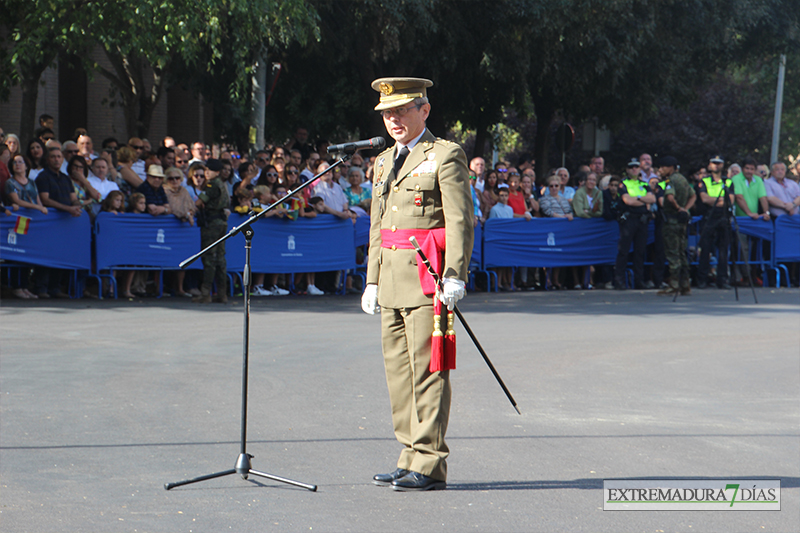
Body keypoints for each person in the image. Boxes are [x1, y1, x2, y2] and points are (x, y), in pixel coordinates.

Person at [362, 77, 473, 492]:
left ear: (424, 111)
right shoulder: (383, 161)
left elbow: (460, 219)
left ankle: (428, 463)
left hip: (428, 280)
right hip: (391, 280)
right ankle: (408, 453)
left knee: (428, 372)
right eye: (387, 113)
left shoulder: (444, 154)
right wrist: (371, 279)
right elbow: (378, 225)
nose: (393, 119)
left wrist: (456, 273)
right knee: (398, 375)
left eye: (401, 110)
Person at [655, 156, 695, 296]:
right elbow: (693, 195)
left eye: (663, 167)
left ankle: (674, 285)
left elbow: (670, 198)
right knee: (682, 253)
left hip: (671, 221)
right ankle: (685, 285)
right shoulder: (683, 180)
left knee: (673, 253)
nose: (660, 170)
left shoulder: (670, 180)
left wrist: (678, 208)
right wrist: (685, 209)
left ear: (671, 167)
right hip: (681, 222)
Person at [614, 158, 656, 290]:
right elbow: (628, 201)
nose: (634, 169)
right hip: (629, 219)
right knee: (624, 251)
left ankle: (639, 280)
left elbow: (653, 198)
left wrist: (637, 199)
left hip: (642, 220)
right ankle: (619, 280)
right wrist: (643, 201)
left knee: (640, 252)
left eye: (636, 167)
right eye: (631, 167)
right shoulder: (623, 183)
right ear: (627, 169)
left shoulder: (644, 184)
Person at [193, 159, 230, 303]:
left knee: (208, 257)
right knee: (220, 258)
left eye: (209, 170)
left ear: (217, 172)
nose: (206, 173)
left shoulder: (211, 185)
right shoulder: (222, 184)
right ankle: (222, 293)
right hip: (221, 222)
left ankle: (205, 293)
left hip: (212, 223)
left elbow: (199, 202)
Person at [696, 155, 734, 289]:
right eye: (714, 163)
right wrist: (721, 201)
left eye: (719, 163)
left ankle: (722, 279)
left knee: (723, 251)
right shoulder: (704, 181)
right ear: (709, 165)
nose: (716, 166)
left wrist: (716, 201)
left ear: (723, 165)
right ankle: (702, 279)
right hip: (709, 217)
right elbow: (704, 199)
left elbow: (731, 201)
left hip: (723, 217)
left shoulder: (728, 182)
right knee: (705, 249)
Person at [731, 157, 771, 285]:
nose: (749, 171)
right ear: (742, 169)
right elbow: (739, 197)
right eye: (747, 168)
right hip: (740, 219)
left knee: (754, 249)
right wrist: (749, 213)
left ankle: (752, 275)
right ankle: (744, 276)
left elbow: (763, 197)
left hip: (753, 221)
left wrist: (766, 212)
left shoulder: (758, 180)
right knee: (742, 248)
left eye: (752, 169)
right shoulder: (736, 179)